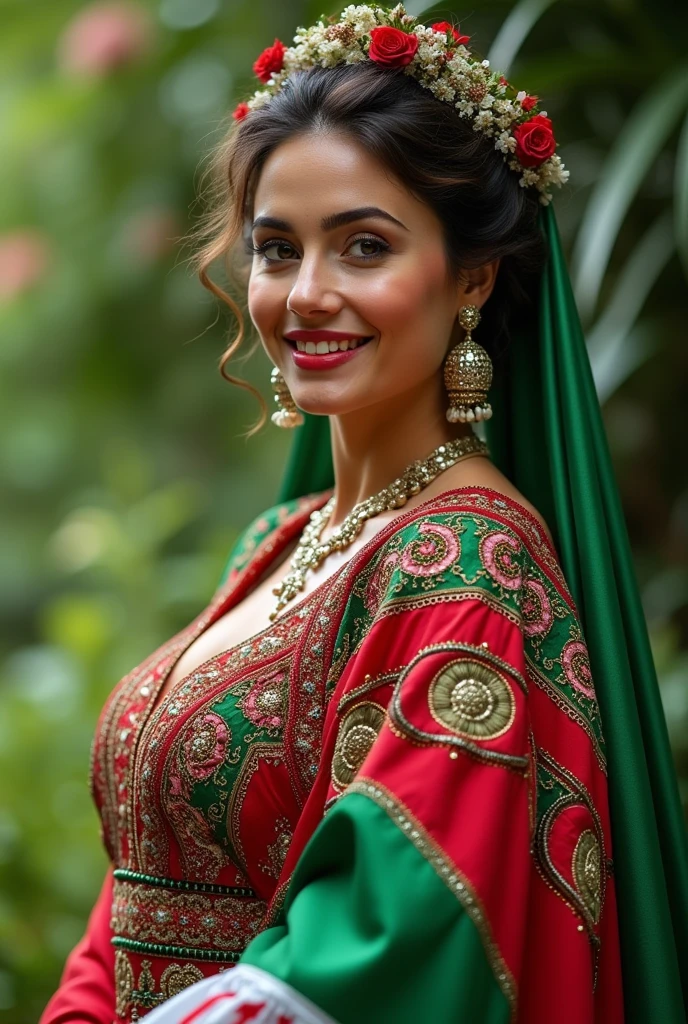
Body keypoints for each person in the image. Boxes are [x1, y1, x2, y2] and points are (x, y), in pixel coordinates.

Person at [41, 6, 688, 1024]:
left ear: (471, 274)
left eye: (363, 246)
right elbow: (134, 889)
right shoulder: (281, 538)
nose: (306, 294)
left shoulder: (470, 568)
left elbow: (394, 939)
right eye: (275, 247)